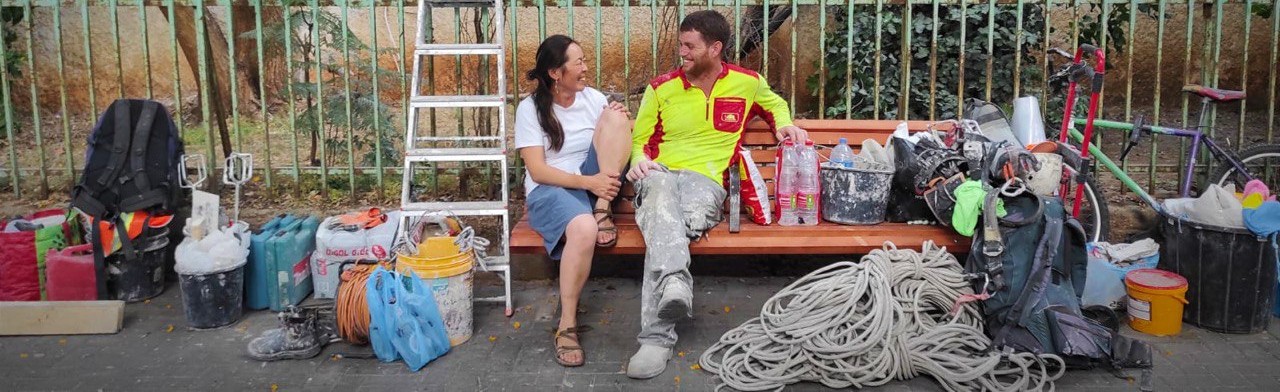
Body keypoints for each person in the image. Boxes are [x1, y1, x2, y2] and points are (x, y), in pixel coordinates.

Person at [623, 10, 808, 379]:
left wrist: (785, 124)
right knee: (661, 200)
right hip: (659, 177)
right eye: (680, 45)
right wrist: (640, 161)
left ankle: (660, 328)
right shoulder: (661, 88)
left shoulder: (747, 83)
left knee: (665, 228)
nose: (682, 53)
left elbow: (774, 105)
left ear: (715, 48)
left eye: (689, 46)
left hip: (705, 182)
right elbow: (641, 141)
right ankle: (669, 299)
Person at [515, 35, 632, 367]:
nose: (585, 68)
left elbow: (613, 143)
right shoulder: (530, 109)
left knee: (617, 115)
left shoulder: (591, 98)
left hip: (594, 184)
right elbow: (538, 171)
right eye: (577, 62)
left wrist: (616, 118)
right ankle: (567, 324)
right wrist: (588, 182)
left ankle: (602, 209)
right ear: (555, 72)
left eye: (584, 60)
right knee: (583, 230)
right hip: (553, 188)